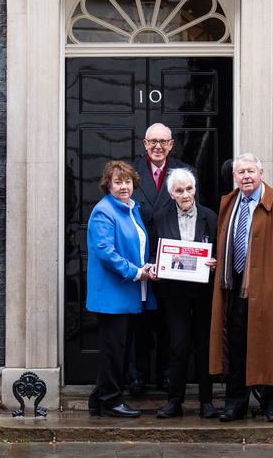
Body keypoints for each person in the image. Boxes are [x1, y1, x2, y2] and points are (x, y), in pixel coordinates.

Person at [209, 153, 273, 423]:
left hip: (269, 287)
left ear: (261, 173)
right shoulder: (228, 203)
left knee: (271, 345)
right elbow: (225, 241)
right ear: (235, 178)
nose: (246, 176)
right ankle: (236, 403)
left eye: (250, 171)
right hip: (234, 284)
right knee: (236, 346)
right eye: (241, 173)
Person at [86, 160, 158, 418]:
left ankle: (98, 400)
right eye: (118, 182)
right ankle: (110, 400)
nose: (123, 186)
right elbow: (106, 252)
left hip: (129, 292)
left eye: (127, 181)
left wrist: (147, 266)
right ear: (108, 185)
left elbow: (135, 247)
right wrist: (136, 272)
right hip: (112, 295)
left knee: (119, 348)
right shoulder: (104, 211)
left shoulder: (131, 209)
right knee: (114, 350)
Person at [128, 123, 194, 393]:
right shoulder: (131, 172)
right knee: (139, 322)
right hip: (140, 260)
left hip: (173, 260)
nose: (157, 146)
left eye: (163, 142)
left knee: (170, 321)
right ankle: (137, 377)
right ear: (145, 144)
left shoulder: (186, 172)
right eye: (152, 141)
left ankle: (169, 376)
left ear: (171, 145)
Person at [152, 168, 219, 419]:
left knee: (204, 345)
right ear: (171, 194)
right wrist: (154, 266)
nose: (185, 194)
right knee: (179, 346)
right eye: (179, 190)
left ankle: (206, 401)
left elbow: (220, 252)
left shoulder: (211, 217)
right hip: (174, 293)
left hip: (204, 292)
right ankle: (174, 401)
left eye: (189, 189)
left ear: (195, 189)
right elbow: (151, 253)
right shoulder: (160, 218)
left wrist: (215, 262)